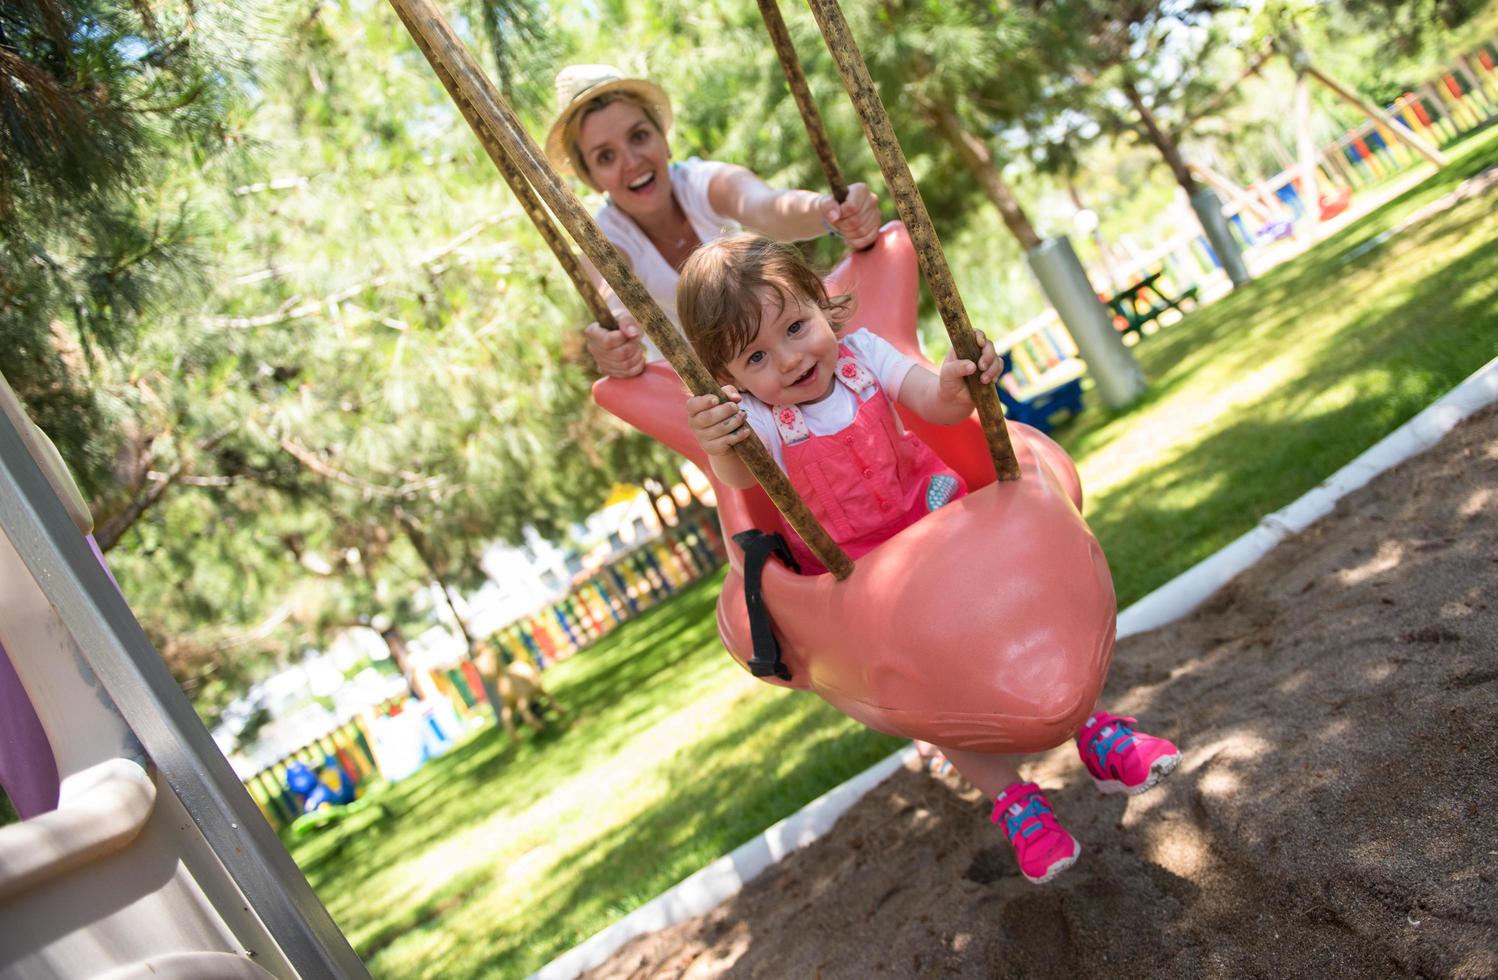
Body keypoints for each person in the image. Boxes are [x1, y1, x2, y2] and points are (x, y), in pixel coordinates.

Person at [677, 235, 1181, 884]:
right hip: (860, 566)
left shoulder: (862, 356)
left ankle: (1096, 734)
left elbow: (937, 403)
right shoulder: (760, 421)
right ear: (731, 379)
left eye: (796, 326)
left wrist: (958, 379)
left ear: (820, 303)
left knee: (1011, 605)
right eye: (757, 356)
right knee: (935, 685)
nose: (790, 358)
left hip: (931, 512)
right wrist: (719, 444)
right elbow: (740, 481)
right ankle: (1016, 800)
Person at [542, 64, 882, 379]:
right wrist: (615, 338)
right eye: (606, 156)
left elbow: (768, 208)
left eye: (639, 136)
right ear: (592, 178)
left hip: (780, 361)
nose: (631, 161)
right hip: (714, 404)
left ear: (663, 139)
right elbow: (612, 298)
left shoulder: (703, 183)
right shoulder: (605, 240)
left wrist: (828, 211)